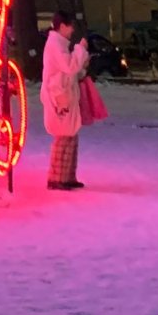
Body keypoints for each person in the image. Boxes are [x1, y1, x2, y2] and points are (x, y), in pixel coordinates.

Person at [42, 11, 90, 191]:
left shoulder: (57, 44)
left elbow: (69, 68)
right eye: (70, 26)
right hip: (59, 96)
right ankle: (57, 178)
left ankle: (66, 176)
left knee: (70, 134)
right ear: (62, 26)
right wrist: (80, 50)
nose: (72, 30)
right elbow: (69, 66)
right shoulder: (56, 45)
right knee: (64, 135)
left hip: (63, 94)